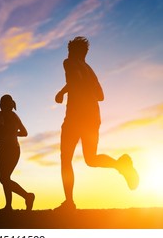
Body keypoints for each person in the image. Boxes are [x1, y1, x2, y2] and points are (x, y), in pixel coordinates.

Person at [55, 36, 139, 211]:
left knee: (66, 159)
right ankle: (120, 165)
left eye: (70, 51)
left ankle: (69, 203)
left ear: (74, 51)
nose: (69, 54)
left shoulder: (68, 62)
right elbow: (100, 96)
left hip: (75, 117)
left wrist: (63, 92)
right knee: (91, 159)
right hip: (93, 117)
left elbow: (74, 81)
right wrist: (74, 89)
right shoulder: (90, 70)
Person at [0, 94, 35, 211]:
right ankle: (8, 206)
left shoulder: (0, 114)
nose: (1, 106)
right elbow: (24, 132)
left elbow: (1, 126)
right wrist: (13, 133)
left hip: (8, 149)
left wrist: (9, 133)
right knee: (5, 178)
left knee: (4, 179)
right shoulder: (14, 116)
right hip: (11, 149)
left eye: (2, 103)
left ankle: (27, 196)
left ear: (4, 105)